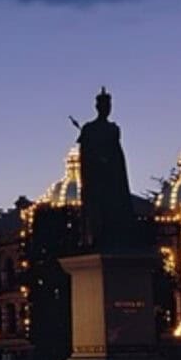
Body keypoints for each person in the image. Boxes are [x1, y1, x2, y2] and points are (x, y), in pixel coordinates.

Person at [75, 87, 138, 252]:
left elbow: (118, 154)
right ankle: (97, 238)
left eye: (109, 105)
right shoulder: (89, 129)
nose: (107, 109)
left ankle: (117, 238)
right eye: (104, 105)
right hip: (96, 179)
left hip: (113, 177)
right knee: (98, 212)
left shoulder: (114, 129)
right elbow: (85, 154)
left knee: (114, 211)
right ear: (97, 107)